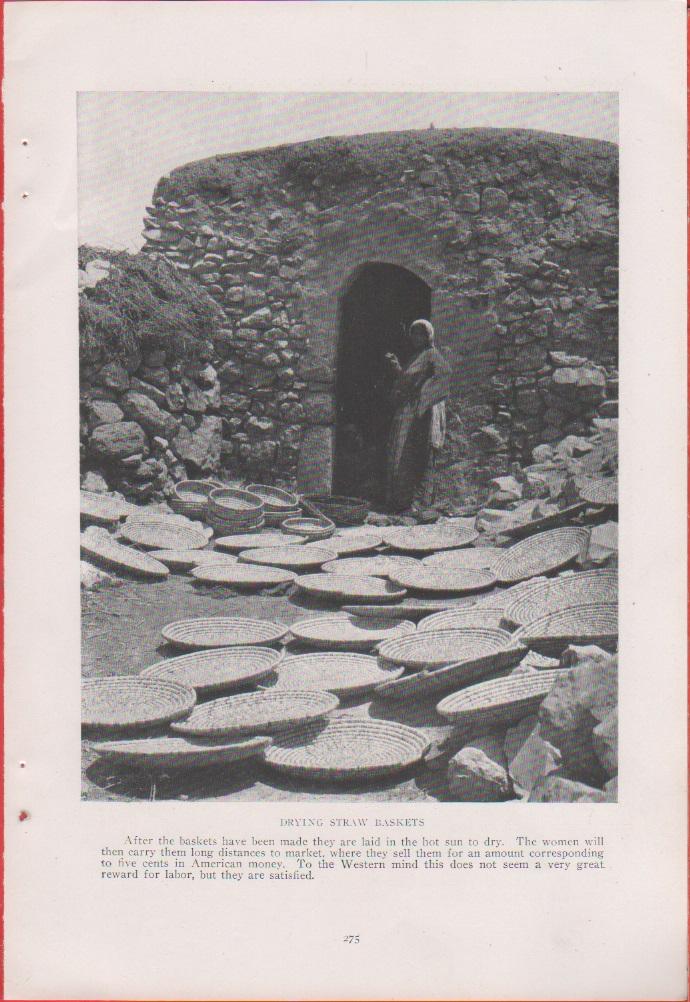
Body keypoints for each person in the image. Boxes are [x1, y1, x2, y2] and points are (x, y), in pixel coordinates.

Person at [384, 318, 451, 513]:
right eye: (413, 334)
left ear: (428, 336)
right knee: (400, 452)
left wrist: (424, 399)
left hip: (420, 414)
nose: (416, 337)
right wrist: (397, 367)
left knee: (414, 454)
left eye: (420, 334)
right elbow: (408, 381)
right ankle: (400, 501)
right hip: (407, 411)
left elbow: (444, 374)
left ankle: (416, 503)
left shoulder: (432, 355)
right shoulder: (416, 357)